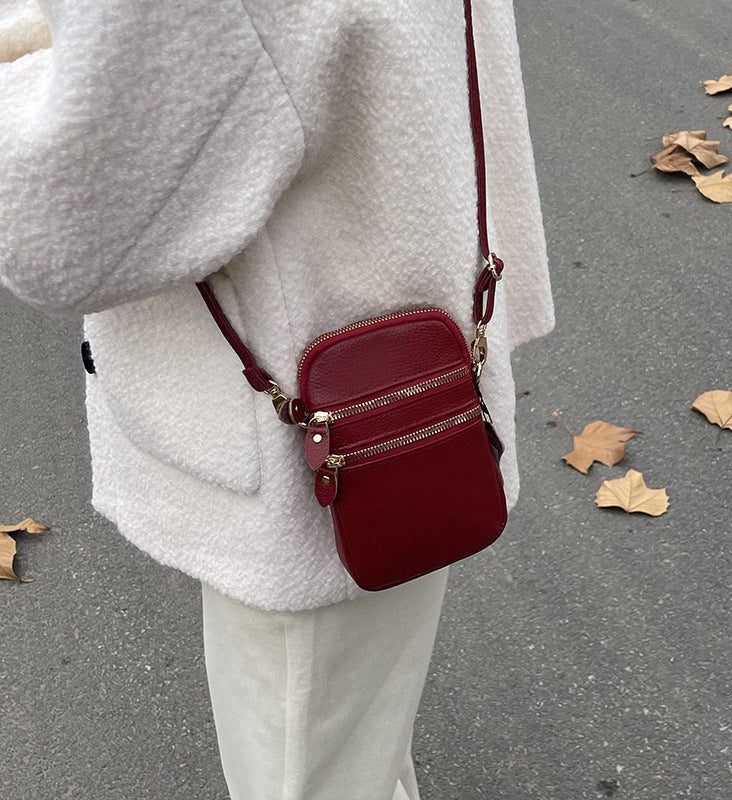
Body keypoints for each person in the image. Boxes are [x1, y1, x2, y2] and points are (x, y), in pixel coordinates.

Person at [0, 0, 554, 797]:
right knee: (356, 741)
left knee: (308, 760)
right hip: (415, 342)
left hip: (301, 458)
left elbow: (57, 227)